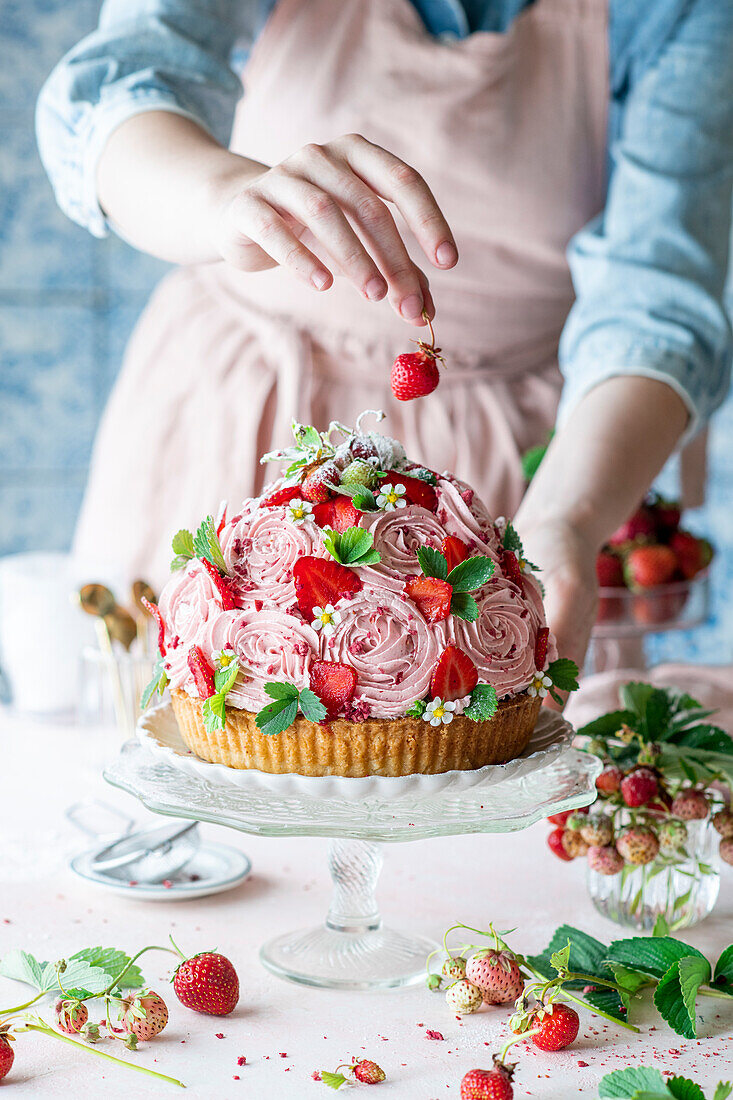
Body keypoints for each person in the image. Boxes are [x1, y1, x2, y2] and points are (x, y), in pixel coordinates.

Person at [37, 0, 733, 669]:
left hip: (530, 470)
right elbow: (120, 86)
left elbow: (654, 299)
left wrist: (566, 524)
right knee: (200, 718)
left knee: (486, 761)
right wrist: (220, 197)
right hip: (239, 418)